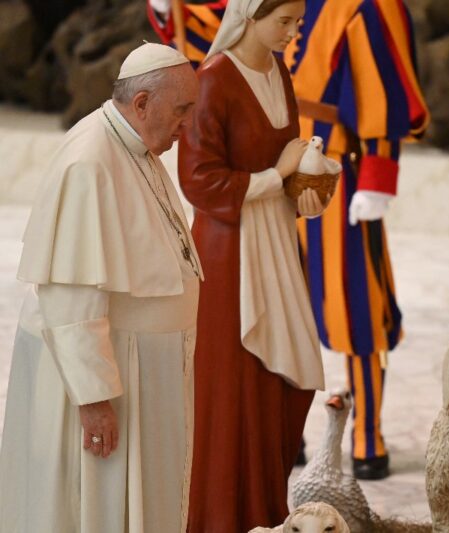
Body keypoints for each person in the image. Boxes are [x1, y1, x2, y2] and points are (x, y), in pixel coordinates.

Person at [0, 43, 201, 532]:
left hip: (140, 368)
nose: (186, 125)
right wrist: (93, 403)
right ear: (142, 103)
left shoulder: (132, 145)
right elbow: (71, 297)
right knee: (94, 506)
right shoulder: (89, 162)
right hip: (109, 378)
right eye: (181, 111)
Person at [177, 0, 327, 530]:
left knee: (280, 384)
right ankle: (219, 517)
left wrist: (305, 190)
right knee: (230, 386)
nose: (292, 32)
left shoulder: (277, 69)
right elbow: (197, 180)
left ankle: (265, 512)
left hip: (276, 246)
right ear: (248, 14)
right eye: (283, 21)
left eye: (297, 22)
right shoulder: (214, 79)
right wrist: (273, 178)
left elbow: (288, 157)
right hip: (228, 255)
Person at [283, 0, 430, 479]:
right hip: (272, 167)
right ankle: (286, 431)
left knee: (358, 305)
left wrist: (377, 173)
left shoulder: (365, 6)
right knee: (279, 307)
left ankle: (368, 432)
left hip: (333, 172)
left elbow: (382, 86)